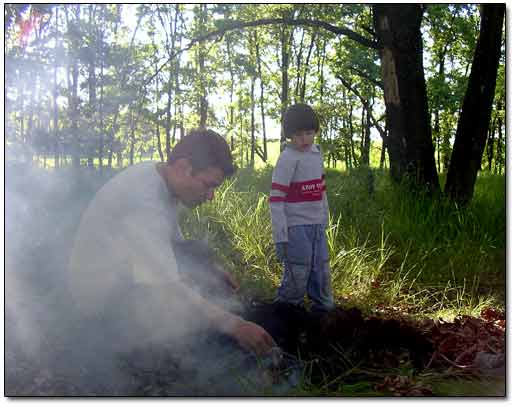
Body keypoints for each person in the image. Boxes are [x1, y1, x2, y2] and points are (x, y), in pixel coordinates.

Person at [68, 128, 275, 357]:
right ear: (184, 167)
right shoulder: (144, 201)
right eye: (209, 185)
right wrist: (235, 325)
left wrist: (210, 270)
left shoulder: (158, 175)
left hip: (122, 276)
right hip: (103, 303)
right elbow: (165, 287)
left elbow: (175, 244)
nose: (211, 195)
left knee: (199, 253)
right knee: (195, 330)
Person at [269, 104, 335, 313]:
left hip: (316, 224)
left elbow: (321, 189)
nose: (304, 140)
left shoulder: (316, 154)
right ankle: (287, 309)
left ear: (315, 131)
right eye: (298, 135)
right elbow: (276, 200)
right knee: (299, 268)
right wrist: (280, 236)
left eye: (309, 133)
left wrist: (324, 218)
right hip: (296, 226)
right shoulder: (288, 158)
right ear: (289, 136)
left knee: (320, 266)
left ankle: (323, 308)